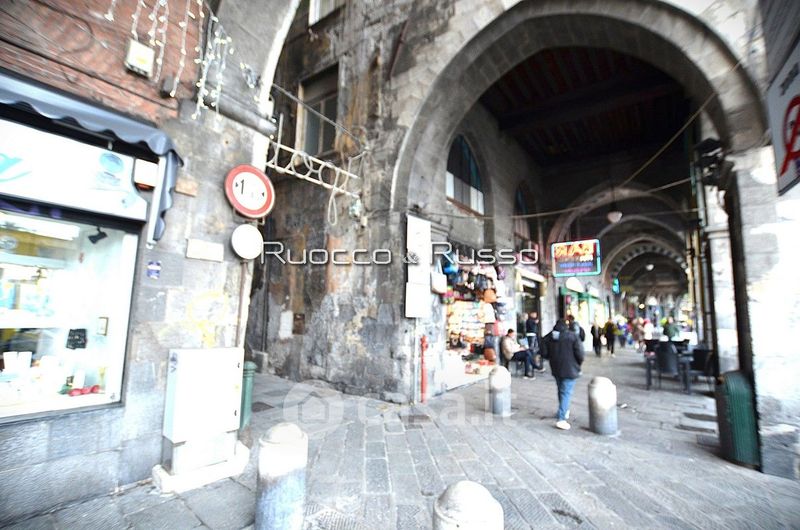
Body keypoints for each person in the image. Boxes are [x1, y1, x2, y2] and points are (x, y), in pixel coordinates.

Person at [541, 319, 584, 430]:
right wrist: (577, 364)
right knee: (566, 393)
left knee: (561, 390)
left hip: (556, 368)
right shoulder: (572, 336)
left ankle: (563, 411)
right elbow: (580, 354)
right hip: (570, 369)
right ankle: (561, 418)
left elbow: (544, 353)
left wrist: (552, 357)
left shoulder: (548, 337)